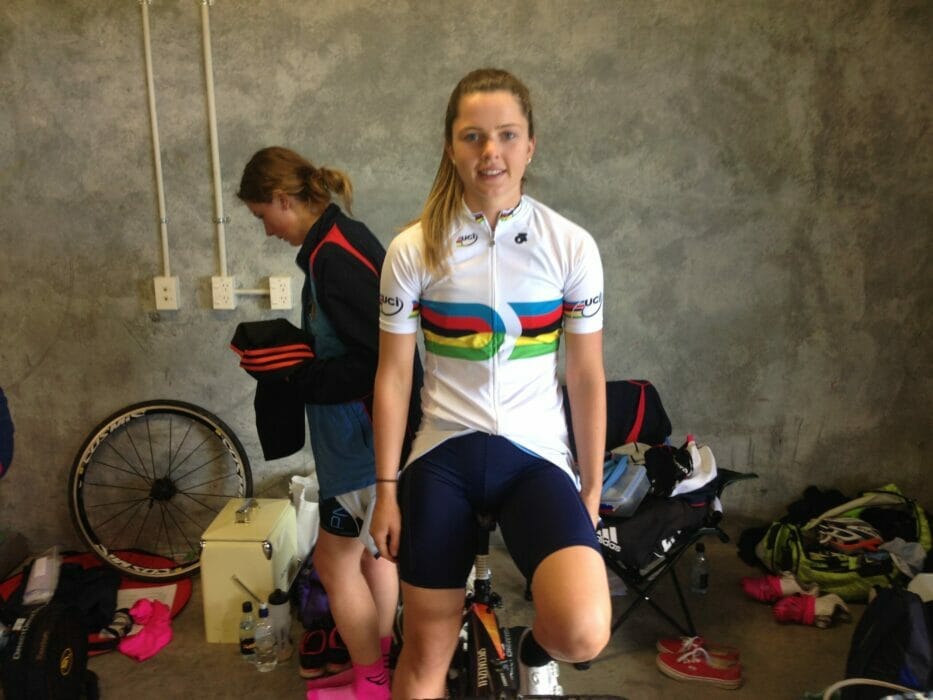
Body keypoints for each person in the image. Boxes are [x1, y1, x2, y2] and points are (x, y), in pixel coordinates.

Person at [370, 68, 612, 699]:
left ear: (530, 145)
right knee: (426, 652)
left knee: (583, 632)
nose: (490, 152)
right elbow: (393, 375)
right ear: (451, 147)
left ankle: (532, 650)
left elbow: (585, 374)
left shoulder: (570, 246)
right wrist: (386, 490)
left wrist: (590, 487)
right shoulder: (413, 249)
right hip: (442, 458)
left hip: (535, 458)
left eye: (506, 135)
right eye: (473, 136)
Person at [237, 147, 419, 700]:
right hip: (365, 441)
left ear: (283, 199)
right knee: (372, 554)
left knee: (335, 562)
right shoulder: (334, 242)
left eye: (263, 216)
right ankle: (377, 665)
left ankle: (372, 683)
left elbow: (379, 361)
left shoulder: (334, 256)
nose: (267, 230)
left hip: (362, 444)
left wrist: (302, 375)